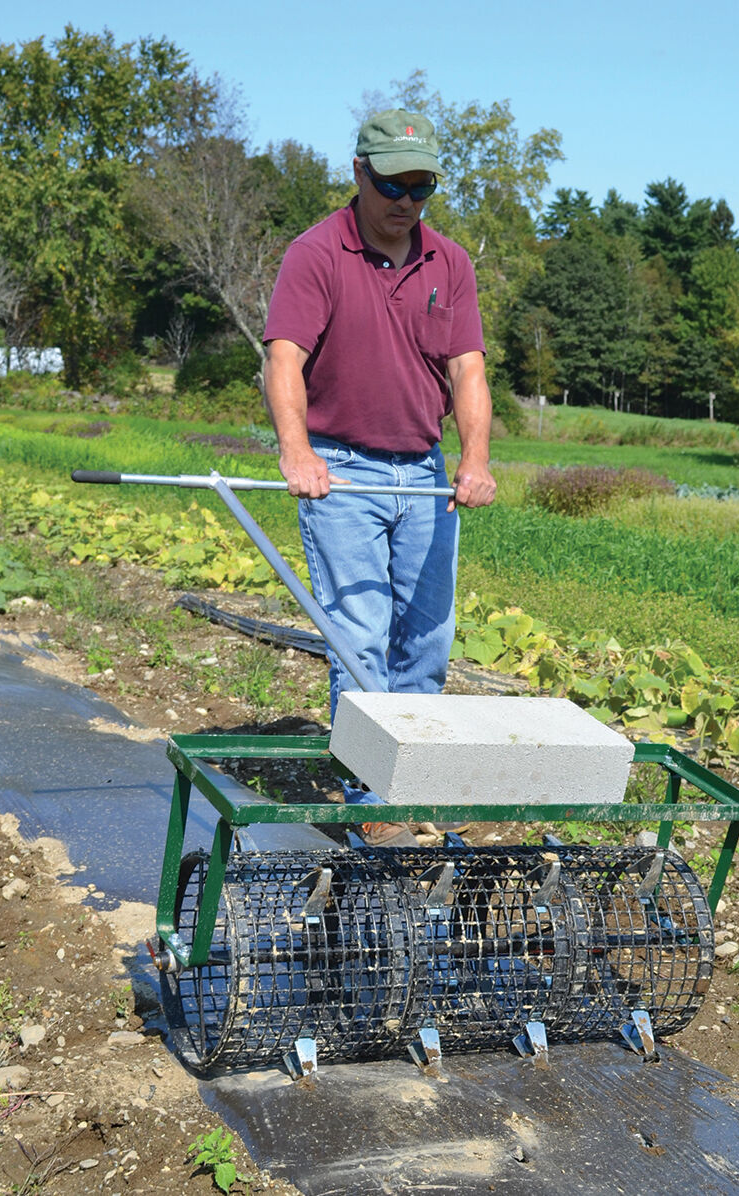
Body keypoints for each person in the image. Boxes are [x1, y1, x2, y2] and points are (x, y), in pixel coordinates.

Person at [260, 108, 498, 819]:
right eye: (393, 187)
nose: (405, 204)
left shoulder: (448, 261)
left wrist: (475, 459)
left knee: (426, 641)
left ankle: (411, 787)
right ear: (359, 173)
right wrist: (297, 452)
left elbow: (469, 371)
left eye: (421, 188)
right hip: (341, 472)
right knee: (360, 643)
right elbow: (284, 359)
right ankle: (370, 805)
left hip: (424, 476)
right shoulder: (317, 254)